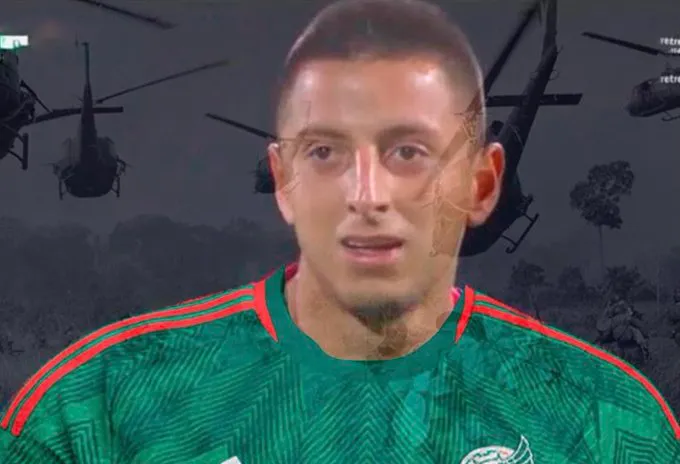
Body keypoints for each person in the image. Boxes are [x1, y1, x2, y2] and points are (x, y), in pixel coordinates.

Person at [2, 0, 679, 462]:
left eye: (409, 151)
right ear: (283, 180)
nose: (367, 195)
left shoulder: (608, 418)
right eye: (327, 152)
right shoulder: (99, 403)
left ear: (482, 183)